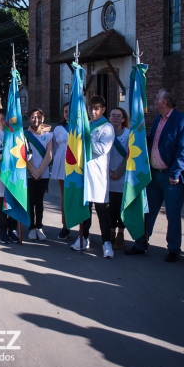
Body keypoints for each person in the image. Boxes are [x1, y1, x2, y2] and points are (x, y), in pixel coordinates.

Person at [126, 88, 184, 262]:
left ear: (165, 102)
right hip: (154, 175)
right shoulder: (157, 119)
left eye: (156, 98)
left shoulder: (182, 120)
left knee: (172, 214)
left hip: (172, 177)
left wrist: (176, 171)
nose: (154, 100)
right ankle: (141, 244)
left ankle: (173, 249)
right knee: (147, 211)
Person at [72, 97, 115, 257]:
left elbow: (102, 149)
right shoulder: (87, 125)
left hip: (98, 176)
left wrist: (86, 138)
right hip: (84, 173)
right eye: (90, 109)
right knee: (85, 208)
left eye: (96, 109)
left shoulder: (107, 127)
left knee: (102, 210)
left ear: (103, 109)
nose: (93, 112)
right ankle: (83, 237)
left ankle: (106, 242)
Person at [25, 108, 53, 241]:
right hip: (29, 173)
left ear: (43, 118)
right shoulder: (24, 135)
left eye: (39, 117)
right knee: (31, 201)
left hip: (43, 174)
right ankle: (31, 227)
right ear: (29, 118)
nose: (36, 119)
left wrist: (40, 171)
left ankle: (39, 227)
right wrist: (33, 171)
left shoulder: (49, 135)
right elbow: (22, 155)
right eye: (33, 117)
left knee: (40, 202)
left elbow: (49, 155)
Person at [0, 109, 18, 244]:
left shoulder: (15, 134)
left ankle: (12, 229)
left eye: (3, 119)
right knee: (1, 205)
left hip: (13, 175)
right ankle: (2, 230)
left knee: (13, 203)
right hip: (1, 175)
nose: (1, 122)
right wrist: (9, 148)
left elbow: (26, 152)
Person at [108, 107, 130, 250]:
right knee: (111, 208)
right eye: (113, 115)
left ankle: (121, 233)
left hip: (122, 177)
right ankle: (110, 232)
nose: (115, 118)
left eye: (118, 116)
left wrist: (118, 172)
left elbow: (130, 155)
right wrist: (109, 171)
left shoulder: (128, 134)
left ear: (123, 119)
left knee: (122, 208)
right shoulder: (105, 133)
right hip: (108, 177)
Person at [51, 104, 70, 240]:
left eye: (70, 111)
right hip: (62, 165)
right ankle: (65, 226)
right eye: (65, 112)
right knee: (65, 197)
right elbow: (54, 147)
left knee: (79, 197)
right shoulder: (58, 128)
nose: (68, 114)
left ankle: (83, 229)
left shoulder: (82, 126)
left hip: (77, 166)